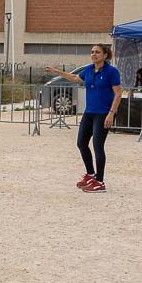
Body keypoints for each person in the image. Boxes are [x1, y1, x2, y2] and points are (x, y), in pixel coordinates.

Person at [45, 44, 122, 193]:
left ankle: (100, 182)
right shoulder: (88, 69)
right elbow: (75, 78)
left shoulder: (111, 72)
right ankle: (91, 174)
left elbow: (118, 93)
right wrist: (56, 71)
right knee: (81, 143)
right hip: (89, 112)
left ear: (105, 55)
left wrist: (111, 113)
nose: (94, 54)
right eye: (92, 52)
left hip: (103, 113)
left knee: (98, 146)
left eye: (97, 52)